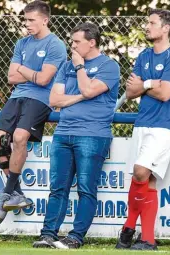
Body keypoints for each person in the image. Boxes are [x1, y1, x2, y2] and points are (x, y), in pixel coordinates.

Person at [32, 22, 120, 249]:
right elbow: (54, 101)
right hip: (63, 134)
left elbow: (90, 90)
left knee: (86, 188)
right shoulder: (66, 66)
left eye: (76, 42)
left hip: (92, 135)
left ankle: (75, 237)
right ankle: (48, 234)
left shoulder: (109, 66)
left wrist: (80, 68)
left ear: (91, 43)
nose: (72, 46)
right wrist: (80, 97)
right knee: (58, 188)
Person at [115, 9, 170, 251]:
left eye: (152, 23)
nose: (147, 26)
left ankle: (129, 227)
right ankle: (144, 238)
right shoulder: (144, 55)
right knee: (147, 182)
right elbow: (131, 90)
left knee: (140, 172)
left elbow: (166, 93)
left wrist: (144, 85)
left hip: (165, 126)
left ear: (165, 28)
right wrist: (149, 85)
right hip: (143, 122)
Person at [0, 0, 67, 220]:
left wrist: (23, 70)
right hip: (17, 96)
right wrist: (30, 73)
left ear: (45, 20)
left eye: (31, 20)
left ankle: (7, 193)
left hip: (41, 99)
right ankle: (17, 193)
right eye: (25, 20)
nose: (27, 24)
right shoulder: (22, 43)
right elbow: (10, 77)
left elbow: (44, 80)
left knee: (20, 136)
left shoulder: (55, 45)